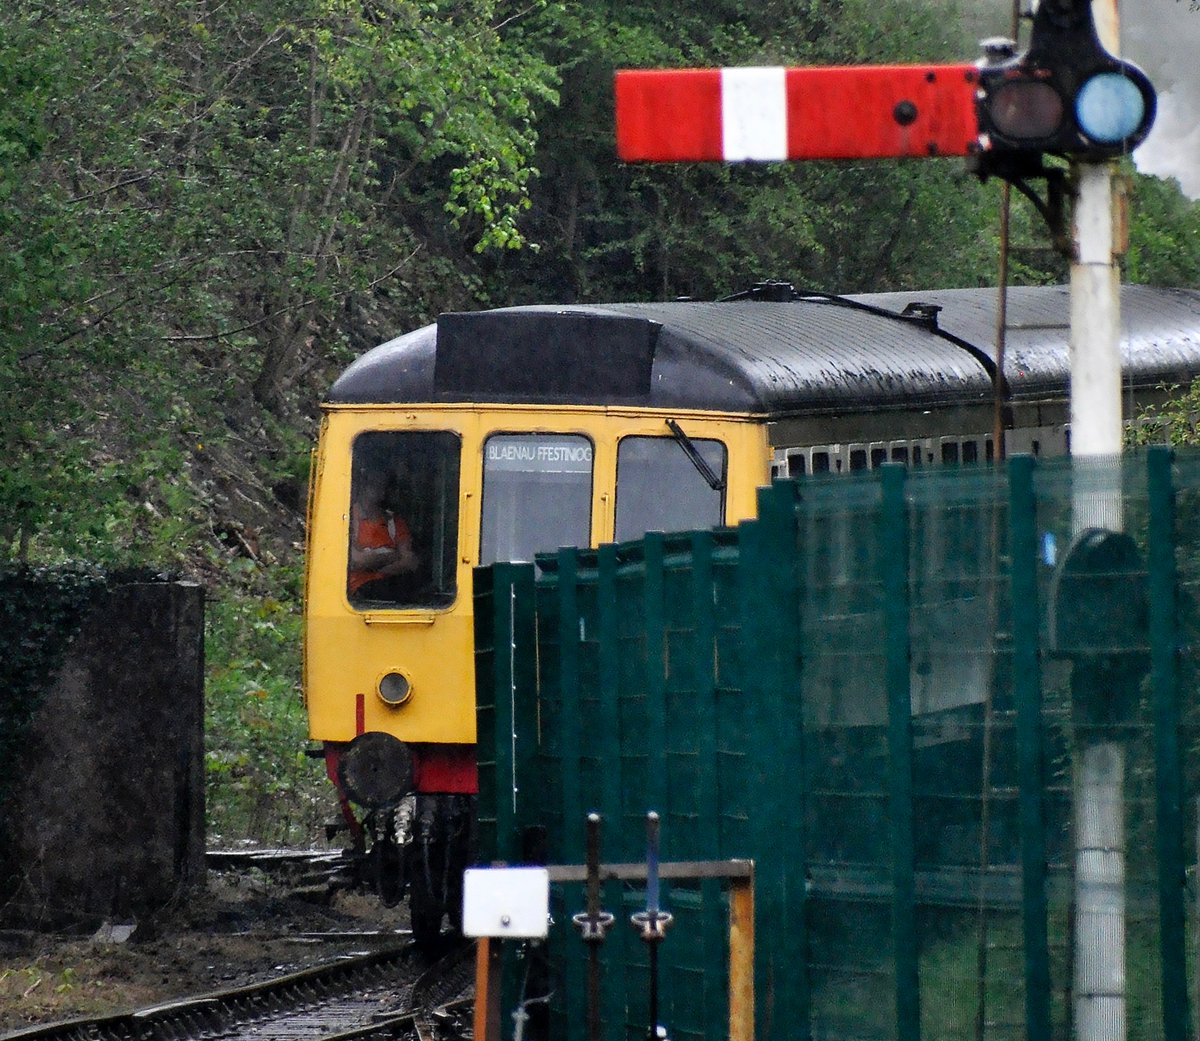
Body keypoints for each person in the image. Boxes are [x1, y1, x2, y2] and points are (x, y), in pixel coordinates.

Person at [348, 465, 419, 600]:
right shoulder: (348, 518)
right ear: (363, 485)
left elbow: (410, 561)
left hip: (392, 589)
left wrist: (376, 567)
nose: (380, 489)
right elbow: (357, 561)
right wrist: (394, 556)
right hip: (358, 593)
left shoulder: (394, 522)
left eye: (383, 485)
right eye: (374, 484)